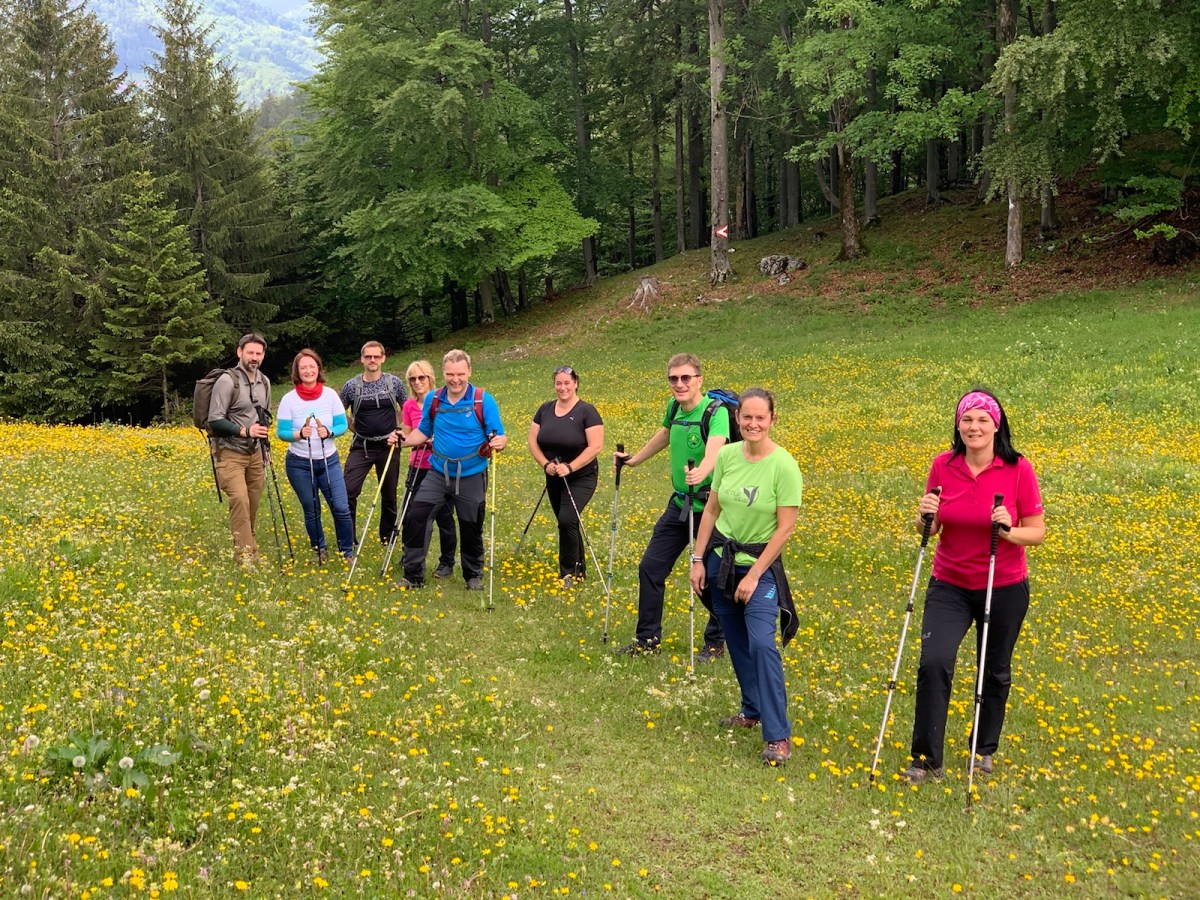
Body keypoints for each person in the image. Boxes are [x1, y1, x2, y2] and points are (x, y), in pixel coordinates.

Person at [903, 388, 1045, 784]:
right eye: (967, 419)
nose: (974, 426)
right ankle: (926, 759)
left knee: (993, 670)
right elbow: (931, 529)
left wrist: (1009, 530)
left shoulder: (1018, 468)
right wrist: (923, 517)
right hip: (949, 583)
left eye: (982, 419)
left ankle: (982, 749)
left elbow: (1037, 533)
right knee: (934, 662)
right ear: (958, 424)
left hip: (1003, 585)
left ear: (996, 425)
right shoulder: (943, 465)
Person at [690, 388, 802, 765]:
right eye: (747, 417)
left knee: (761, 643)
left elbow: (785, 528)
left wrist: (754, 575)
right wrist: (697, 558)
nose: (753, 423)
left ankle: (778, 735)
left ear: (772, 419)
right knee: (736, 642)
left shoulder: (784, 465)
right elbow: (711, 510)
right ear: (738, 419)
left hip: (760, 567)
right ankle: (751, 710)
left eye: (761, 417)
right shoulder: (725, 456)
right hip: (722, 561)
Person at [614, 353, 727, 659]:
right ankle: (647, 639)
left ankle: (717, 641)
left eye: (686, 378)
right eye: (674, 378)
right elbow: (665, 433)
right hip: (680, 504)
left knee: (710, 579)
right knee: (650, 567)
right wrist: (634, 460)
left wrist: (703, 471)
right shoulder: (674, 407)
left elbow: (717, 445)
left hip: (712, 509)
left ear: (699, 380)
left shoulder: (715, 412)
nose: (679, 384)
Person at [394, 349, 507, 590]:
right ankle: (413, 575)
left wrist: (500, 442)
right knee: (416, 516)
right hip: (437, 472)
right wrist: (401, 441)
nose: (455, 379)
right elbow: (423, 432)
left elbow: (498, 434)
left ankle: (473, 574)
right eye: (450, 374)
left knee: (470, 524)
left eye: (460, 374)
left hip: (471, 473)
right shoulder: (434, 399)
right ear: (443, 373)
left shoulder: (482, 399)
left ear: (469, 372)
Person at [275, 349, 356, 562]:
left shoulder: (330, 395)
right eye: (303, 368)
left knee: (340, 506)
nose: (308, 371)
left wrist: (329, 432)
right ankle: (319, 549)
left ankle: (346, 551)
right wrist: (299, 433)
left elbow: (342, 424)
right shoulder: (288, 400)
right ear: (297, 372)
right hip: (299, 464)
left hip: (329, 461)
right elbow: (281, 432)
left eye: (312, 366)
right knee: (311, 509)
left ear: (318, 368)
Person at [527, 366, 604, 586]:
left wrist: (571, 467)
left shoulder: (587, 411)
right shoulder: (545, 409)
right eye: (558, 383)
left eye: (567, 383)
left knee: (567, 519)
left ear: (576, 383)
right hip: (554, 476)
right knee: (568, 523)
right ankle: (579, 569)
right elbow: (533, 442)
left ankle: (567, 573)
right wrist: (545, 464)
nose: (562, 388)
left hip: (581, 476)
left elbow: (596, 446)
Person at [207, 333, 272, 566]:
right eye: (250, 352)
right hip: (229, 453)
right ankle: (245, 557)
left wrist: (265, 449)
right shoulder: (227, 381)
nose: (254, 357)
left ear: (263, 355)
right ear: (239, 352)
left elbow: (264, 418)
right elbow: (213, 420)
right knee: (240, 500)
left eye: (258, 353)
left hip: (255, 453)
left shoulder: (264, 381)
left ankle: (250, 548)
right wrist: (245, 431)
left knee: (253, 503)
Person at [340, 341, 407, 544]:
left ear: (383, 358)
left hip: (389, 446)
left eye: (376, 356)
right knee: (348, 491)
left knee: (389, 494)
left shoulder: (394, 383)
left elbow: (406, 406)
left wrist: (397, 428)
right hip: (362, 446)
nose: (372, 360)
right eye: (368, 356)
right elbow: (338, 413)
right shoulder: (351, 386)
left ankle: (387, 537)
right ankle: (349, 539)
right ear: (362, 359)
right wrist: (354, 429)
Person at [401, 359, 457, 578]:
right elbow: (407, 436)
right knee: (411, 514)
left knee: (444, 516)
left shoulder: (442, 402)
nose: (417, 382)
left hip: (440, 468)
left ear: (430, 378)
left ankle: (447, 562)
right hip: (417, 465)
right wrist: (402, 439)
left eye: (421, 377)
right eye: (412, 379)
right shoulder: (408, 406)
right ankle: (411, 557)